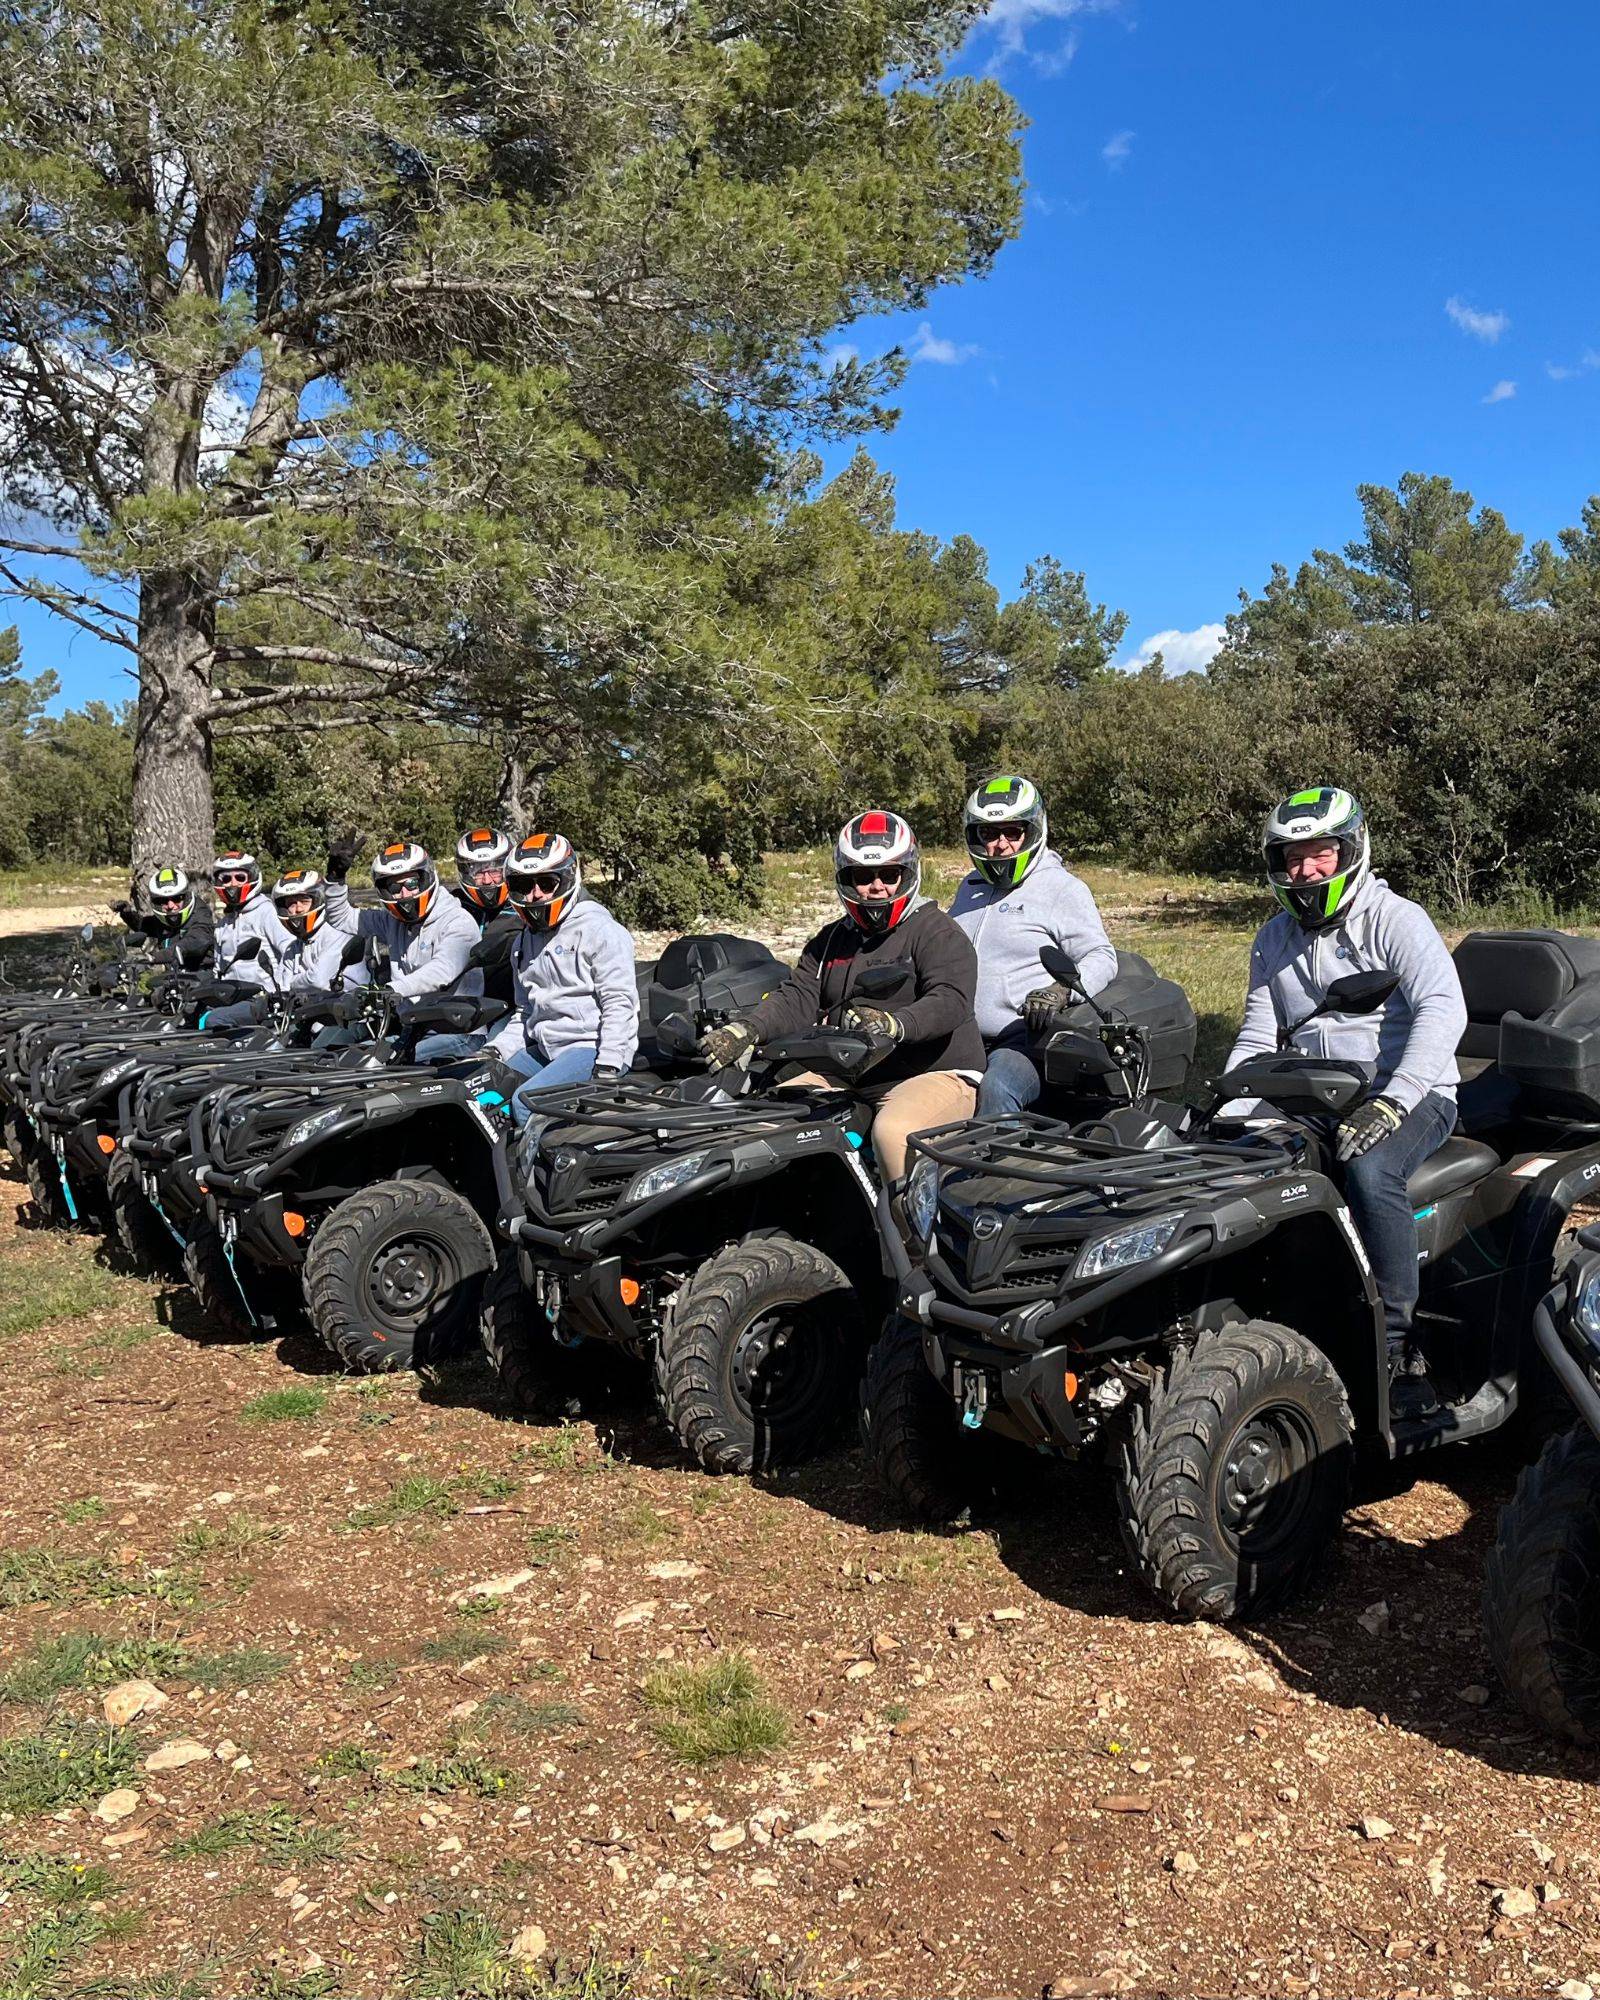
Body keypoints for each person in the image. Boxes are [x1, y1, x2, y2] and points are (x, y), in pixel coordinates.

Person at [1222, 787, 1467, 1417]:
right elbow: (1257, 1033)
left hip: (1411, 1091)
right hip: (1310, 1091)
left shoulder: (1394, 919)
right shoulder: (1273, 936)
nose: (1305, 870)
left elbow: (1445, 1009)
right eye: (1293, 857)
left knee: (1369, 1169)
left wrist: (1394, 1100)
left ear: (1349, 851)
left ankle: (1401, 1348)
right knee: (1244, 1165)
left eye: (1319, 854)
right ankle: (1283, 1317)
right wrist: (1229, 1105)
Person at [698, 810, 981, 1188]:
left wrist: (896, 1025)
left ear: (909, 874)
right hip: (848, 1074)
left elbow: (951, 999)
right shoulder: (832, 939)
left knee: (893, 1132)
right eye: (862, 877)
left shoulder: (937, 931)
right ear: (845, 879)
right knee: (763, 1120)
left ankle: (910, 1243)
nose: (876, 887)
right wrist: (747, 1029)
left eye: (888, 874)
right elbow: (797, 996)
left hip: (932, 1073)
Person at [949, 774, 1118, 1116]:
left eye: (1013, 832)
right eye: (989, 833)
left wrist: (1059, 990)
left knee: (998, 1088)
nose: (1001, 844)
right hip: (960, 1038)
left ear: (1034, 830)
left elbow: (1102, 956)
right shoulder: (970, 887)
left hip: (1023, 1039)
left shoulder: (1061, 889)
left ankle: (1001, 1168)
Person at [484, 832, 640, 1125]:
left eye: (546, 883)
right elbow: (525, 1012)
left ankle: (529, 1172)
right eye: (524, 886)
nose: (536, 894)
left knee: (525, 1103)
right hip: (546, 1048)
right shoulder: (524, 942)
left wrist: (608, 1065)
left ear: (568, 879)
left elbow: (619, 1003)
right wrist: (495, 1049)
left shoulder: (600, 931)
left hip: (592, 1047)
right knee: (484, 1091)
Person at [322, 839, 482, 1000]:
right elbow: (341, 917)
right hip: (407, 1017)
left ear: (427, 878)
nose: (405, 894)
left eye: (412, 883)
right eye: (395, 888)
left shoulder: (458, 921)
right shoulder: (391, 921)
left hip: (454, 1018)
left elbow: (443, 970)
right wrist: (335, 878)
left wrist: (391, 990)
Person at [211, 848, 295, 987]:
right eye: (226, 879)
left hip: (265, 997)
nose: (233, 884)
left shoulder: (266, 912)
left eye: (240, 878)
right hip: (231, 999)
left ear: (252, 877)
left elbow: (290, 951)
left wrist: (282, 988)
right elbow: (218, 967)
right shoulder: (223, 924)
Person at [113, 864, 215, 972]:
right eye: (163, 900)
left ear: (185, 897)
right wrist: (127, 914)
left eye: (176, 898)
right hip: (173, 978)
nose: (170, 905)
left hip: (202, 978)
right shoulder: (163, 920)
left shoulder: (201, 914)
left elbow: (194, 941)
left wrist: (152, 958)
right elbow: (143, 925)